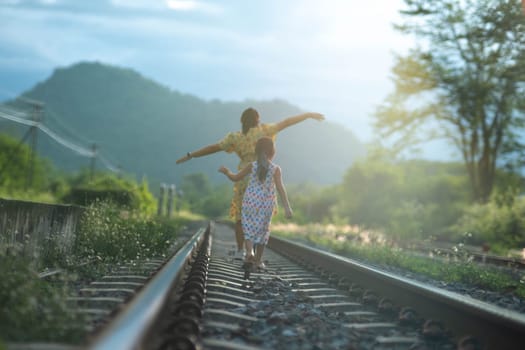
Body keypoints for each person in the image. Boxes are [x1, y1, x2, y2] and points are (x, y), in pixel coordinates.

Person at [176, 107, 323, 259]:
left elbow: (214, 147)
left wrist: (191, 155)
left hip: (244, 177)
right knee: (262, 219)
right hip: (264, 176)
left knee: (241, 218)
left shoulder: (235, 137)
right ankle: (257, 256)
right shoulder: (265, 130)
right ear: (257, 119)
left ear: (242, 122)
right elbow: (286, 122)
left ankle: (243, 251)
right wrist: (308, 115)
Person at [218, 136, 292, 269]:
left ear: (256, 151)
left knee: (249, 230)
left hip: (250, 202)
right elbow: (280, 188)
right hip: (266, 204)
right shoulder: (275, 169)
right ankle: (257, 261)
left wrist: (226, 172)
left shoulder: (251, 166)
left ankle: (249, 253)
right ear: (272, 152)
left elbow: (235, 178)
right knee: (263, 231)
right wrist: (287, 207)